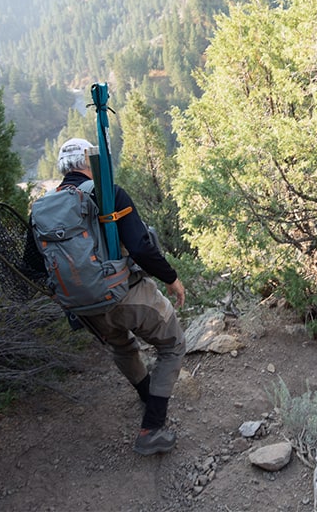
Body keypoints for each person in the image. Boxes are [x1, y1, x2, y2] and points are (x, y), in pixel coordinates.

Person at [53, 137, 186, 456]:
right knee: (173, 344)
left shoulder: (43, 209)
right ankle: (151, 427)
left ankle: (146, 394)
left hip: (85, 308)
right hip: (125, 295)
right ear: (90, 164)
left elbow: (34, 266)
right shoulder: (108, 193)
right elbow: (140, 247)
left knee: (121, 345)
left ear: (62, 169)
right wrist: (171, 278)